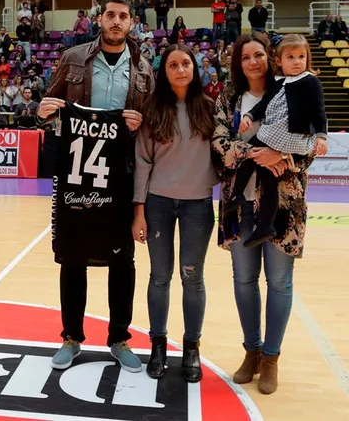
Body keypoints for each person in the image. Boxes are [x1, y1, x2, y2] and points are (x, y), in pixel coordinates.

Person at [37, 0, 154, 372]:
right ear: (99, 19)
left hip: (121, 173)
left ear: (131, 22)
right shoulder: (73, 58)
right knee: (73, 257)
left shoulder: (143, 69)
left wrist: (141, 123)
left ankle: (119, 338)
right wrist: (41, 112)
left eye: (123, 16)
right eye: (110, 15)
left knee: (122, 260)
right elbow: (48, 106)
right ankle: (71, 337)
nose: (116, 21)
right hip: (76, 172)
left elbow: (153, 124)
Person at [211, 32, 316, 395]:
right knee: (243, 279)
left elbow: (312, 144)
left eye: (258, 55)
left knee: (280, 281)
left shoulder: (294, 88)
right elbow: (218, 143)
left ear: (270, 58)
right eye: (245, 57)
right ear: (237, 64)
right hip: (239, 204)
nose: (252, 62)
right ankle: (252, 351)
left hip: (284, 203)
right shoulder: (229, 97)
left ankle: (271, 357)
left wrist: (282, 155)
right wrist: (256, 154)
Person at [132, 44, 218, 382]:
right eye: (173, 65)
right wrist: (139, 211)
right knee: (159, 276)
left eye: (185, 63)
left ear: (194, 69)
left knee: (192, 277)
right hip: (158, 204)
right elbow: (142, 162)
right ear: (164, 71)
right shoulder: (153, 110)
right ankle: (158, 344)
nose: (180, 70)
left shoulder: (210, 108)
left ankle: (192, 348)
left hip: (198, 204)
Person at [225, 34, 328, 247]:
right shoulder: (273, 84)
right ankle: (253, 213)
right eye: (291, 57)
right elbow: (263, 105)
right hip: (273, 134)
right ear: (279, 60)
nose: (297, 61)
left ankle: (244, 204)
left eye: (301, 57)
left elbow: (319, 113)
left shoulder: (310, 82)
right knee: (263, 173)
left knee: (256, 164)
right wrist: (249, 116)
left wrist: (320, 136)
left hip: (289, 140)